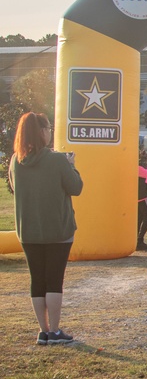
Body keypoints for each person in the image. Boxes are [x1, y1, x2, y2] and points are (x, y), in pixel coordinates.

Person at [10, 112, 84, 345]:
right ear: (42, 132)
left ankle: (43, 330)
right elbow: (76, 187)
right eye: (49, 128)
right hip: (57, 229)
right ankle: (55, 330)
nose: (51, 132)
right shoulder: (57, 159)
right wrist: (72, 166)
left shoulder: (15, 160)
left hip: (28, 229)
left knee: (37, 280)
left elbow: (14, 187)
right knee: (54, 280)